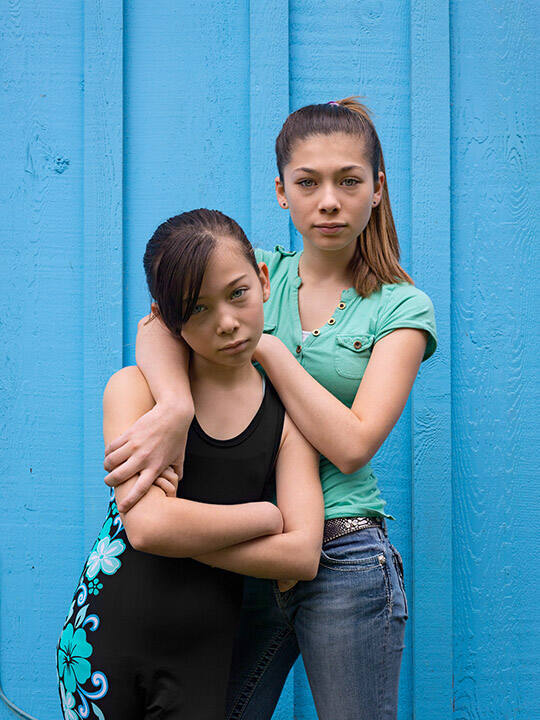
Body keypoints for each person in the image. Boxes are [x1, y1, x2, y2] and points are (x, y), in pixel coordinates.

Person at [103, 97, 438, 720]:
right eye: (308, 183)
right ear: (282, 192)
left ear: (377, 189)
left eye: (349, 181)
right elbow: (157, 326)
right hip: (252, 549)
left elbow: (354, 444)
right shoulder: (257, 274)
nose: (329, 201)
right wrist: (175, 405)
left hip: (342, 552)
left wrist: (273, 352)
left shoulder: (401, 309)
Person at [56, 209, 324, 720]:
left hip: (206, 661)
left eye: (237, 293)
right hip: (101, 642)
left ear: (263, 280)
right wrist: (264, 518)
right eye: (196, 309)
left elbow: (301, 556)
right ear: (166, 316)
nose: (225, 322)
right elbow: (151, 527)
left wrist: (192, 533)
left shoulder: (286, 421)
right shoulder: (136, 391)